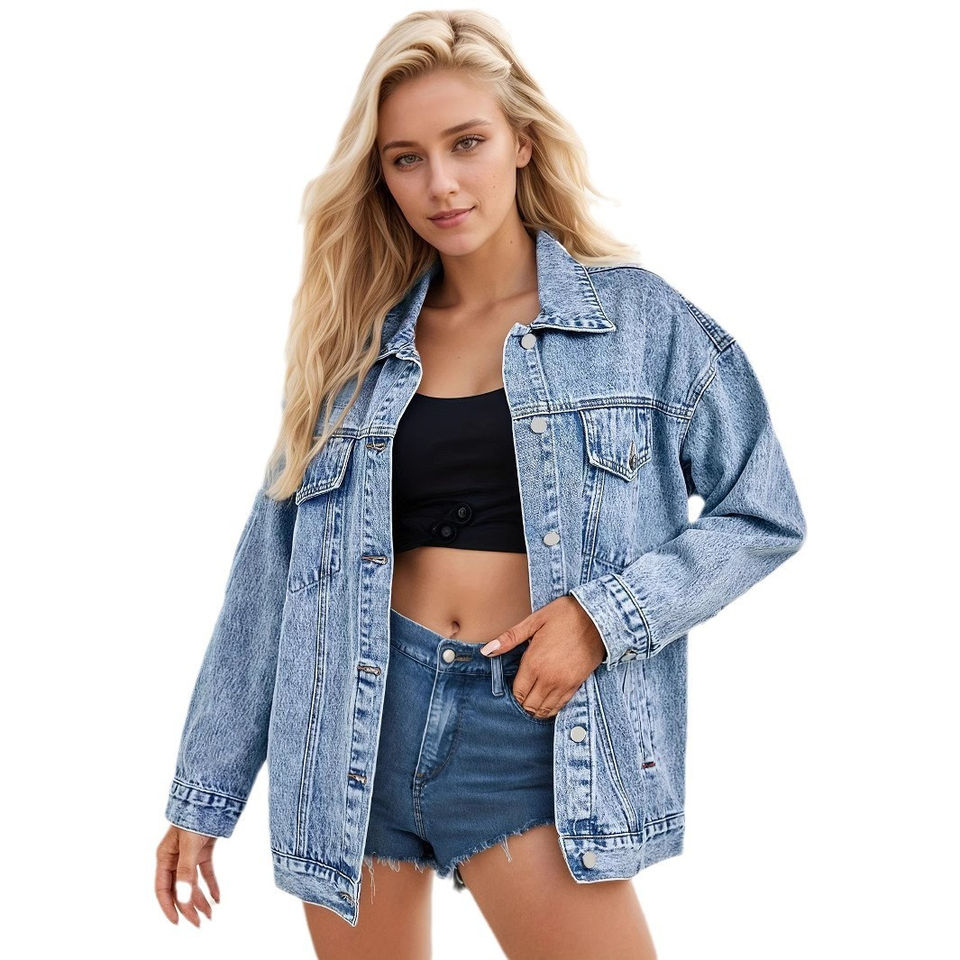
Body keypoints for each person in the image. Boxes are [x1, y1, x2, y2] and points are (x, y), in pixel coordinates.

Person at [154, 10, 805, 959]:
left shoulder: (639, 323)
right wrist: (203, 793)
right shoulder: (355, 347)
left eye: (467, 143)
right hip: (351, 734)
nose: (442, 184)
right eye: (406, 159)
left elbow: (763, 512)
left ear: (522, 142)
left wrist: (603, 619)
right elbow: (269, 580)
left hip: (529, 727)